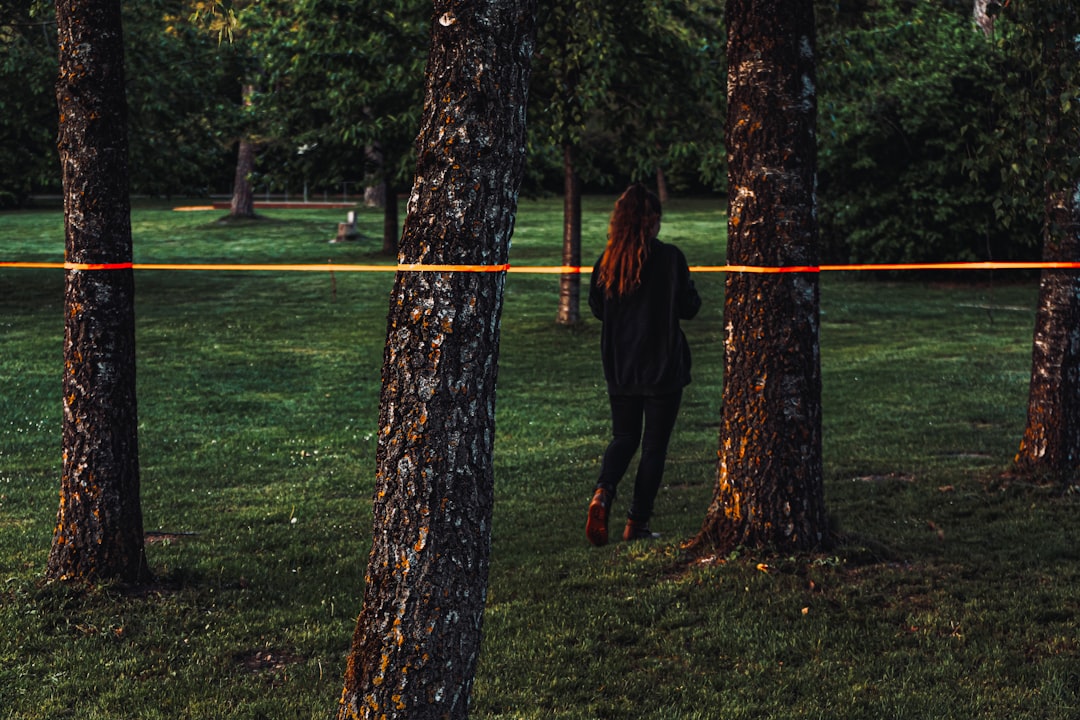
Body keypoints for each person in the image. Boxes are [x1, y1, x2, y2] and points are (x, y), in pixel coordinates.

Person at [586, 183, 701, 546]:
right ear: (650, 221)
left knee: (624, 437)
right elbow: (690, 307)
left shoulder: (606, 263)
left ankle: (604, 492)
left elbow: (598, 309)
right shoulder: (669, 259)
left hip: (621, 365)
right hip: (662, 366)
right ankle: (636, 522)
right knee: (653, 447)